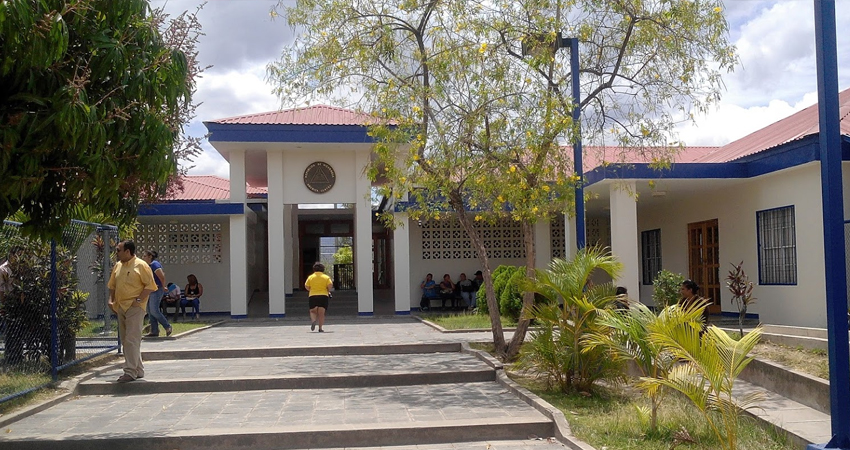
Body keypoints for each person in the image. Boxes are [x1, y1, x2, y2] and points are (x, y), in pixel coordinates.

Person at [107, 240, 156, 383]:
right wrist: (111, 300)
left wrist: (138, 300)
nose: (116, 253)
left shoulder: (141, 265)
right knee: (126, 340)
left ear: (127, 251)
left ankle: (130, 371)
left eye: (118, 250)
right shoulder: (118, 266)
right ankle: (138, 369)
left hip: (135, 307)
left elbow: (150, 286)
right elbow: (112, 285)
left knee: (131, 339)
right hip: (120, 306)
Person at [141, 250, 172, 337]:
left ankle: (167, 326)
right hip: (150, 290)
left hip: (157, 290)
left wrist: (163, 286)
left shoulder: (154, 264)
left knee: (154, 310)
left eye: (144, 256)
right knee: (150, 311)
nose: (143, 258)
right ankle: (154, 331)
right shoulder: (147, 266)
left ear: (150, 256)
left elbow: (162, 276)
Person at [305, 262, 333, 332]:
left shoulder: (310, 277)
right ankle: (320, 328)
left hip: (313, 295)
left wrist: (311, 290)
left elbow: (306, 286)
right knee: (321, 313)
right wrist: (327, 290)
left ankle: (313, 320)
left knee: (312, 311)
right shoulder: (326, 277)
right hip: (323, 296)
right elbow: (330, 285)